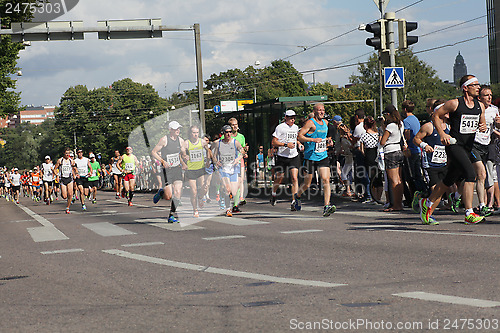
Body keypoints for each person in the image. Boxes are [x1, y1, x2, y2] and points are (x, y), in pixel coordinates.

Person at [419, 75, 487, 225]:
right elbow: (436, 115)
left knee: (448, 181)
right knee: (470, 174)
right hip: (454, 146)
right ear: (465, 88)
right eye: (475, 85)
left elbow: (482, 122)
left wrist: (483, 126)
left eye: (478, 85)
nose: (478, 87)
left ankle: (427, 204)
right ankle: (469, 213)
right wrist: (443, 134)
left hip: (467, 147)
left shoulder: (479, 106)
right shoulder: (455, 104)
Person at [296, 103, 336, 217]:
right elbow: (300, 136)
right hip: (310, 157)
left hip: (322, 156)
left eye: (323, 110)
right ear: (315, 112)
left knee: (325, 180)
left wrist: (329, 140)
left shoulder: (326, 123)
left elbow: (326, 136)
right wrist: (313, 140)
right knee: (307, 183)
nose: (322, 112)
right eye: (319, 110)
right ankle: (297, 196)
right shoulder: (310, 123)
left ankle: (326, 206)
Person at [470, 85, 500, 216]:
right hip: (474, 144)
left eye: (491, 95)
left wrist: (498, 123)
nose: (489, 98)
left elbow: (497, 126)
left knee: (489, 174)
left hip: (488, 145)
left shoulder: (494, 110)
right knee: (480, 174)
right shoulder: (473, 108)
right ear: (480, 97)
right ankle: (482, 203)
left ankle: (489, 204)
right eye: (486, 95)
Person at [152, 121, 187, 223]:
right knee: (168, 196)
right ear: (170, 130)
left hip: (177, 169)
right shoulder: (164, 140)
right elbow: (153, 152)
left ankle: (171, 215)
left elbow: (179, 155)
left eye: (178, 128)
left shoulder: (180, 140)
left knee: (178, 192)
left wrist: (184, 161)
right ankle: (161, 192)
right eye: (176, 129)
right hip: (167, 170)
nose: (178, 131)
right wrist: (162, 161)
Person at [270, 110, 303, 210]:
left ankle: (294, 201)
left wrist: (298, 144)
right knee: (280, 178)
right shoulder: (280, 127)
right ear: (285, 117)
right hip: (282, 156)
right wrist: (285, 145)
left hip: (294, 156)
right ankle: (273, 193)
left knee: (294, 178)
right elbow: (273, 142)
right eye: (290, 117)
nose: (292, 119)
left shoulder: (295, 127)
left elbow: (295, 138)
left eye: (294, 117)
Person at [211, 125, 246, 217]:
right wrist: (216, 162)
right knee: (227, 189)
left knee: (234, 192)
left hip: (233, 169)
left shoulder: (235, 142)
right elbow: (214, 155)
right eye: (226, 132)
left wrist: (237, 159)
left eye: (230, 132)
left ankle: (223, 195)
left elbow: (243, 151)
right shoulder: (219, 143)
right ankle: (228, 209)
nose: (229, 134)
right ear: (223, 133)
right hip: (224, 169)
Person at [380, 104, 406, 212]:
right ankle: (399, 203)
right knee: (399, 180)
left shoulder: (390, 126)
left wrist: (382, 130)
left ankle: (396, 205)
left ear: (388, 114)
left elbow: (382, 141)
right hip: (398, 150)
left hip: (390, 151)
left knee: (393, 180)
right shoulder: (400, 124)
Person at [181, 125, 211, 218]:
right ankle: (195, 209)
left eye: (197, 133)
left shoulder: (202, 142)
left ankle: (200, 197)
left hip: (200, 168)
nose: (195, 135)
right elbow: (180, 155)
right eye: (194, 133)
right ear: (190, 133)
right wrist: (184, 161)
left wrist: (208, 160)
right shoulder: (186, 143)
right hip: (191, 170)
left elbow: (208, 150)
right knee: (193, 191)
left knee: (204, 188)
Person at [402, 100, 426, 199]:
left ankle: (414, 195)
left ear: (404, 109)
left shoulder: (406, 121)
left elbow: (407, 135)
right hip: (417, 149)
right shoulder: (416, 119)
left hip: (410, 150)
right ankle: (423, 192)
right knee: (418, 174)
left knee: (410, 175)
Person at [359, 116, 380, 203]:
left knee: (371, 178)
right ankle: (378, 198)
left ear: (365, 125)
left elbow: (361, 150)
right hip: (377, 156)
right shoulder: (378, 134)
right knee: (378, 177)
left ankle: (373, 197)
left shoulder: (364, 136)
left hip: (369, 156)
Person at [228, 117, 247, 206]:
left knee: (240, 181)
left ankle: (236, 204)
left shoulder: (241, 137)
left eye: (236, 124)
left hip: (239, 161)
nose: (235, 126)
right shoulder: (227, 136)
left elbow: (243, 149)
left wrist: (245, 151)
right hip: (229, 162)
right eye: (233, 125)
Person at [53, 148, 77, 214]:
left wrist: (75, 173)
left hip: (69, 178)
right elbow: (55, 169)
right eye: (66, 153)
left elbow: (75, 168)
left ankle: (67, 208)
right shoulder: (60, 160)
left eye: (68, 153)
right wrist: (57, 175)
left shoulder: (71, 161)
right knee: (64, 196)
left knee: (70, 194)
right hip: (63, 179)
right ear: (64, 153)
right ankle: (62, 193)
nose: (67, 155)